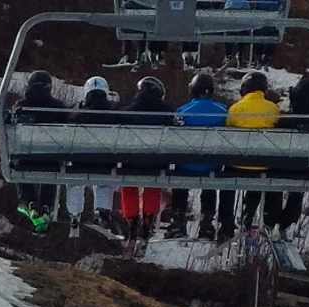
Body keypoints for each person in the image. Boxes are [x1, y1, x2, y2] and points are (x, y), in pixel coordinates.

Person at [116, 75, 171, 246]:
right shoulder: (167, 112)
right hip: (155, 162)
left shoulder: (128, 111)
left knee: (128, 184)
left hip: (131, 161)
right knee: (152, 183)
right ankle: (148, 220)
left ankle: (131, 221)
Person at [174, 71, 229, 239]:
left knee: (179, 178)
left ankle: (178, 220)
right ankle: (207, 222)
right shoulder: (223, 111)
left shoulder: (182, 111)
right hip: (211, 165)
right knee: (210, 180)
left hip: (186, 165)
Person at [228, 71, 281, 230]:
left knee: (245, 167)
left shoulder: (235, 109)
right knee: (261, 169)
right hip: (264, 164)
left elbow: (228, 132)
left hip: (237, 164)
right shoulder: (273, 109)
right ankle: (265, 220)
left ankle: (233, 218)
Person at [66, 77, 118, 230]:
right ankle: (102, 210)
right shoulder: (113, 111)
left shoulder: (78, 112)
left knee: (75, 182)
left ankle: (74, 213)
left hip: (79, 161)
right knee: (104, 182)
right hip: (105, 161)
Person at [15, 70, 62, 232]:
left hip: (25, 157)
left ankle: (29, 201)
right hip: (50, 157)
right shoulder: (58, 107)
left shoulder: (21, 105)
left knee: (19, 166)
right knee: (51, 170)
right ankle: (46, 205)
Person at [278, 71, 309, 233]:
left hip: (278, 166)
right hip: (304, 169)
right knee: (298, 187)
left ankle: (271, 217)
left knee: (274, 181)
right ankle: (286, 222)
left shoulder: (285, 120)